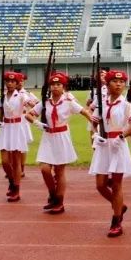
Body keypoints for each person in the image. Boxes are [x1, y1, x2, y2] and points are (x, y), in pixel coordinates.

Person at [29, 72, 98, 214]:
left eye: (58, 84)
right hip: (48, 137)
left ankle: (59, 202)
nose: (55, 87)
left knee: (59, 171)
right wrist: (37, 123)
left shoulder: (68, 102)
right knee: (44, 169)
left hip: (62, 136)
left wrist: (95, 127)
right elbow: (29, 114)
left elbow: (84, 112)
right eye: (53, 84)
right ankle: (52, 194)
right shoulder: (45, 102)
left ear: (63, 87)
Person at [89, 70, 131, 237]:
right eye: (114, 81)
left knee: (117, 184)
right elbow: (93, 123)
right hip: (104, 146)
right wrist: (95, 136)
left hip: (118, 145)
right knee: (100, 185)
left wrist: (122, 136)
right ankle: (119, 205)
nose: (118, 84)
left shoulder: (126, 105)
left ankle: (116, 220)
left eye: (121, 82)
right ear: (107, 84)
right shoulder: (101, 103)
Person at [0, 72, 31, 202]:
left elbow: (31, 104)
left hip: (17, 128)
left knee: (16, 161)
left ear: (17, 83)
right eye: (8, 81)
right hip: (5, 128)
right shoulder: (1, 97)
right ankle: (11, 181)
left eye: (13, 82)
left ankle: (16, 189)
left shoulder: (21, 96)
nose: (10, 83)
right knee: (4, 161)